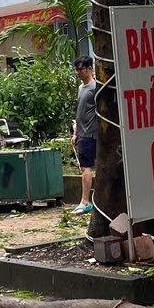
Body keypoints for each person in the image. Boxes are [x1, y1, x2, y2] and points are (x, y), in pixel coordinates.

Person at [71, 56, 97, 215]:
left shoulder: (95, 88)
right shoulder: (81, 88)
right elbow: (80, 113)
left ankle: (85, 201)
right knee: (85, 167)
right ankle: (87, 201)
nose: (78, 72)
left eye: (80, 69)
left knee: (86, 168)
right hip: (81, 133)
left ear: (89, 69)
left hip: (90, 134)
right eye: (77, 69)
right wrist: (75, 133)